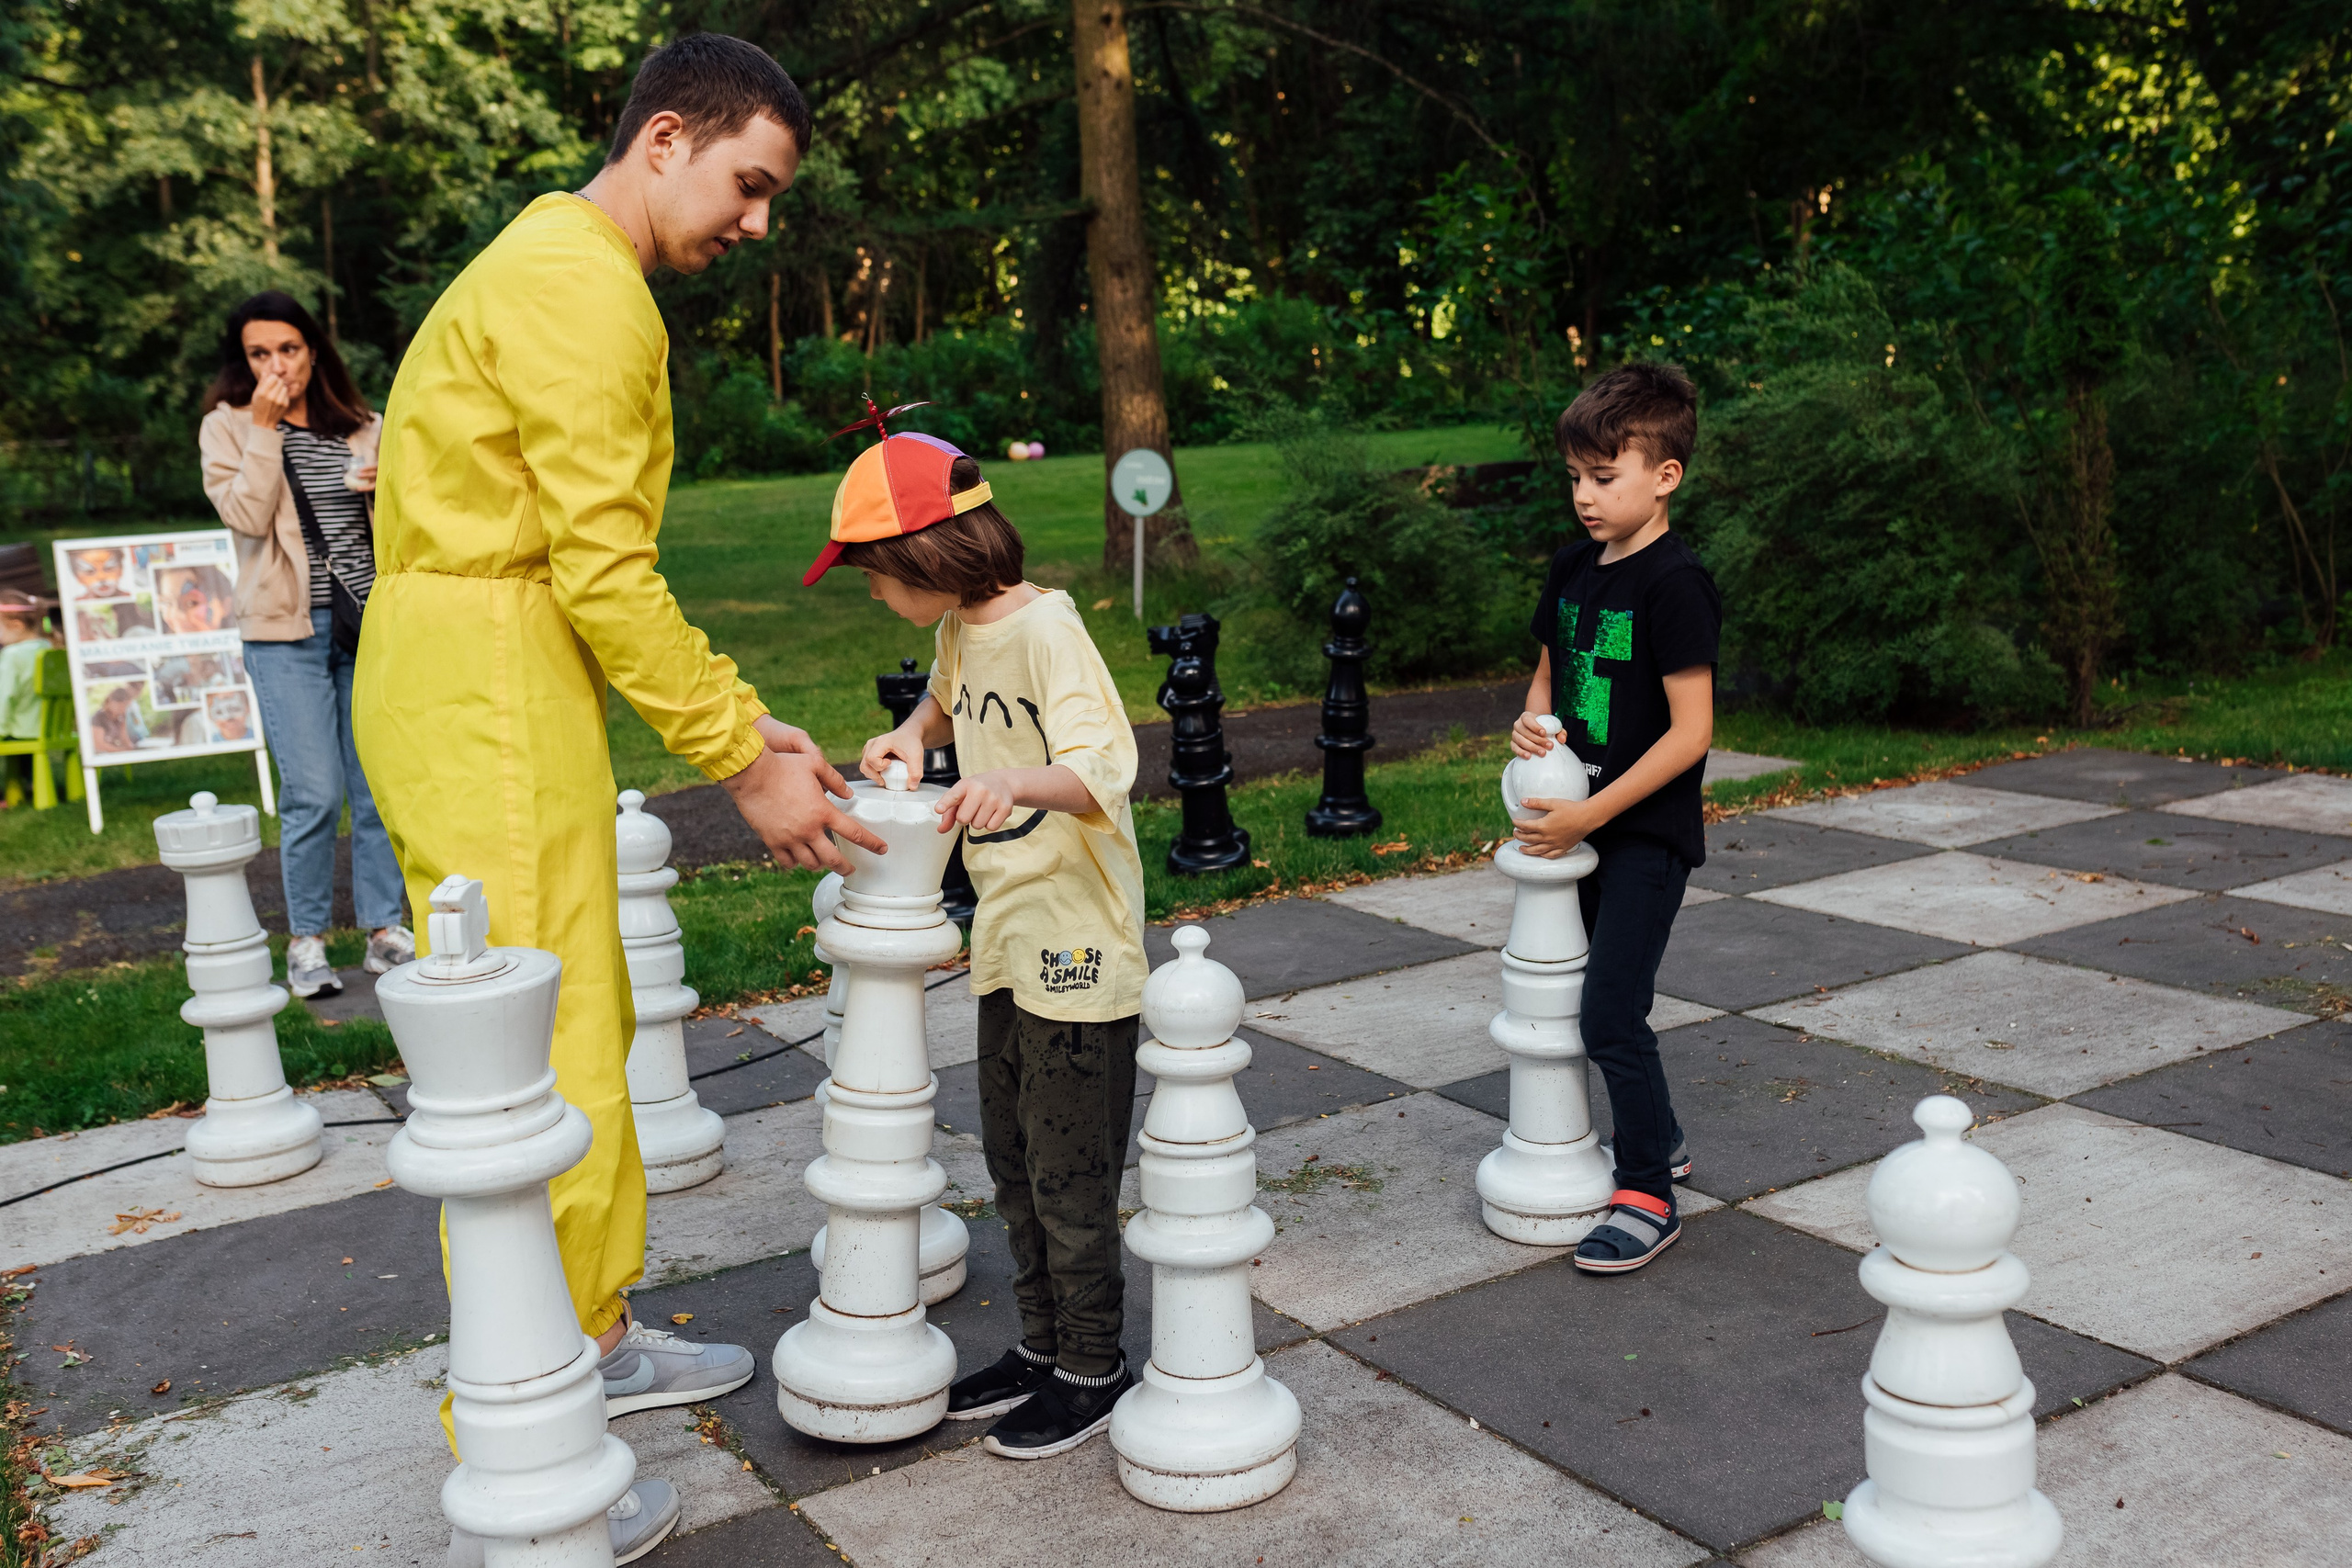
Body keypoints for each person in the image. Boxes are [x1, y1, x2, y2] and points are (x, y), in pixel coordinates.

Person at [353, 35, 878, 1562]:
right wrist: (742, 758)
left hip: (487, 663)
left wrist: (739, 713)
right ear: (664, 140)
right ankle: (529, 1423)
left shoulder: (550, 257)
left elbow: (580, 572)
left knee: (572, 1021)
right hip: (483, 678)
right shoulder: (585, 287)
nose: (759, 221)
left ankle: (588, 1329)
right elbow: (601, 565)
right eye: (750, 184)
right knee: (541, 1053)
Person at [834, 422, 1149, 1461]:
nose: (873, 595)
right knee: (1013, 1160)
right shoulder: (963, 629)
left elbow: (1106, 767)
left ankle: (1093, 1366)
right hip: (1010, 931)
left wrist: (1012, 779)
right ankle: (1041, 1345)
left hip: (1079, 943)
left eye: (876, 575)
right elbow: (946, 698)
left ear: (927, 554)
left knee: (1069, 1171)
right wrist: (911, 735)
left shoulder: (1049, 629)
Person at [1510, 362, 1720, 1276]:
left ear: (1663, 476)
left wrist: (1588, 813)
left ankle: (1646, 1192)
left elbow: (1690, 736)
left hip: (1640, 833)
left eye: (1605, 477)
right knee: (1593, 994)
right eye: (1575, 478)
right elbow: (1551, 674)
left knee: (1607, 1009)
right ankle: (1661, 1135)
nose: (1584, 497)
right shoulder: (1569, 568)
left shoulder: (1675, 585)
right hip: (1577, 824)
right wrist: (1529, 722)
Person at [198, 290, 413, 998]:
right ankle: (309, 942)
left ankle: (385, 930)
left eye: (287, 349)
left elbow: (413, 525)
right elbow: (248, 517)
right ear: (244, 359)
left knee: (376, 784)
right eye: (259, 353)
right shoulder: (227, 427)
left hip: (367, 620)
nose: (275, 365)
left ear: (312, 350)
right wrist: (265, 430)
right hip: (284, 631)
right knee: (315, 793)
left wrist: (389, 493)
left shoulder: (363, 425)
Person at [0, 588, 56, 807]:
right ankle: (28, 783)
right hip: (48, 726)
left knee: (13, 731)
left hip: (21, 728)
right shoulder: (48, 648)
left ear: (16, 625)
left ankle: (14, 790)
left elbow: (4, 696)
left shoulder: (12, 656)